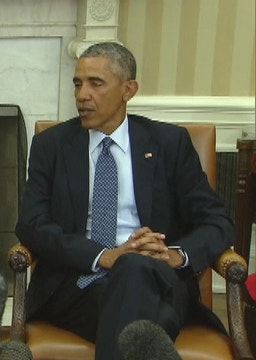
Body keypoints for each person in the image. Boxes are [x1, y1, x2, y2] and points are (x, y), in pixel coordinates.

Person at [15, 42, 234, 359]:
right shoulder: (52, 146)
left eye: (96, 83)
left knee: (135, 271)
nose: (81, 95)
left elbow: (218, 222)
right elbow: (32, 225)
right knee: (145, 303)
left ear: (128, 89)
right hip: (79, 287)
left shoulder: (168, 144)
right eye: (78, 83)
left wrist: (175, 255)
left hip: (159, 278)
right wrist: (105, 256)